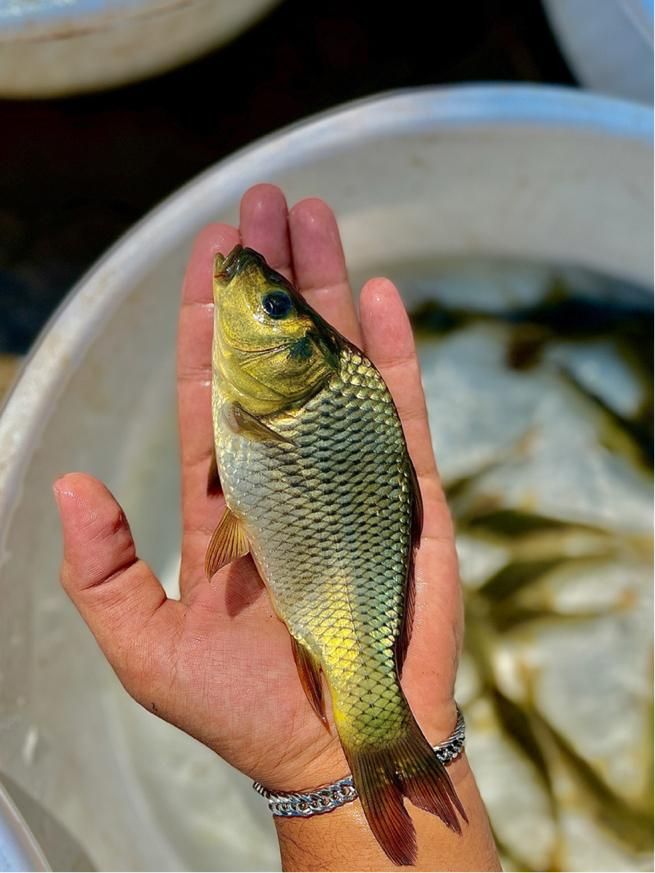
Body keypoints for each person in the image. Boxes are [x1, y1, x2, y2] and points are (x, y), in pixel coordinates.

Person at [53, 184, 500, 872]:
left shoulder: (264, 403)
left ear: (298, 359)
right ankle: (395, 758)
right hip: (344, 572)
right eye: (278, 305)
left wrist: (317, 776)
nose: (261, 291)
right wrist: (316, 777)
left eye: (273, 307)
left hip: (340, 578)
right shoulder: (266, 403)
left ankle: (384, 743)